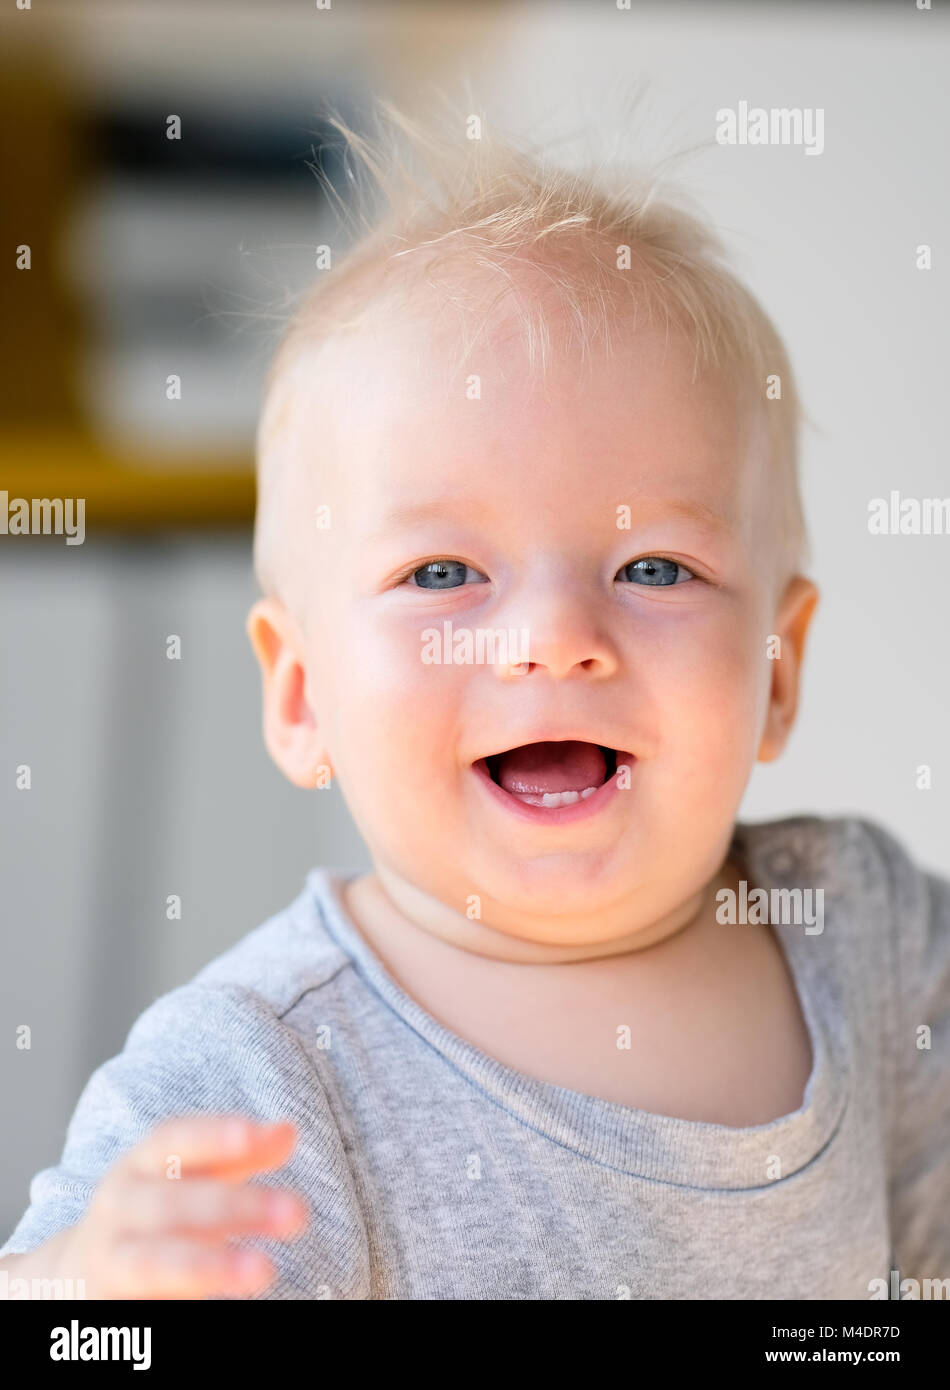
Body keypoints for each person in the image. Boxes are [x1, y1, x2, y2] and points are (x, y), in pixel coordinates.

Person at [2, 104, 947, 1300]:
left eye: (651, 566)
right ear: (300, 695)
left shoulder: (860, 938)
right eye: (441, 573)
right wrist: (71, 1298)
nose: (555, 639)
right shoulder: (265, 1077)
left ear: (774, 667)